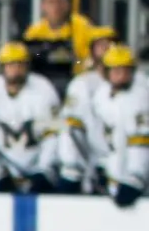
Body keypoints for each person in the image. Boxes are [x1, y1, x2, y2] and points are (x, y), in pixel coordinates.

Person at [63, 47, 149, 205]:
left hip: (136, 183)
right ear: (107, 71)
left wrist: (136, 179)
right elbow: (95, 136)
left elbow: (141, 143)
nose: (121, 75)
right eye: (116, 70)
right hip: (108, 177)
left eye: (126, 70)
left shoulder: (140, 98)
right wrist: (98, 166)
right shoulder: (101, 95)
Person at [0, 41, 60, 191]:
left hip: (36, 164)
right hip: (1, 167)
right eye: (11, 65)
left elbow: (53, 135)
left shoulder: (43, 89)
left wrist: (44, 167)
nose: (16, 70)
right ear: (2, 67)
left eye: (20, 65)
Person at [23, 0, 93, 96]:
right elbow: (31, 59)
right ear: (43, 6)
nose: (56, 6)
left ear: (68, 4)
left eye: (60, 1)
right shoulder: (34, 32)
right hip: (43, 85)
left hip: (76, 81)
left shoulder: (82, 25)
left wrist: (75, 61)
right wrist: (44, 55)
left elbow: (87, 60)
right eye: (51, 2)